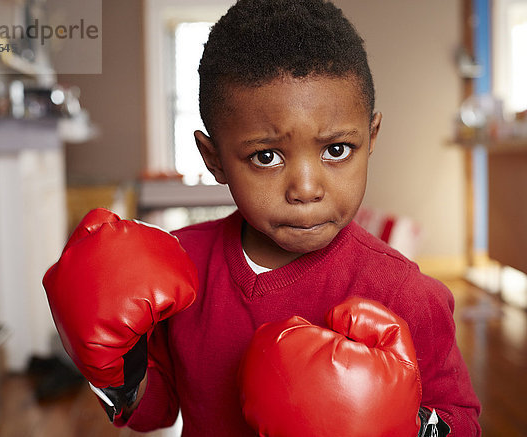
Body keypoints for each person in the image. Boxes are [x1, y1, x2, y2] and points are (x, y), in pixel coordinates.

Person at [44, 0, 481, 435]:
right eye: (266, 156)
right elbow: (154, 411)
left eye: (336, 150)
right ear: (213, 159)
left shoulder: (403, 293)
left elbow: (462, 419)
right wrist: (116, 374)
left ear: (370, 138)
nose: (306, 189)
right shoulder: (179, 272)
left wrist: (408, 425)